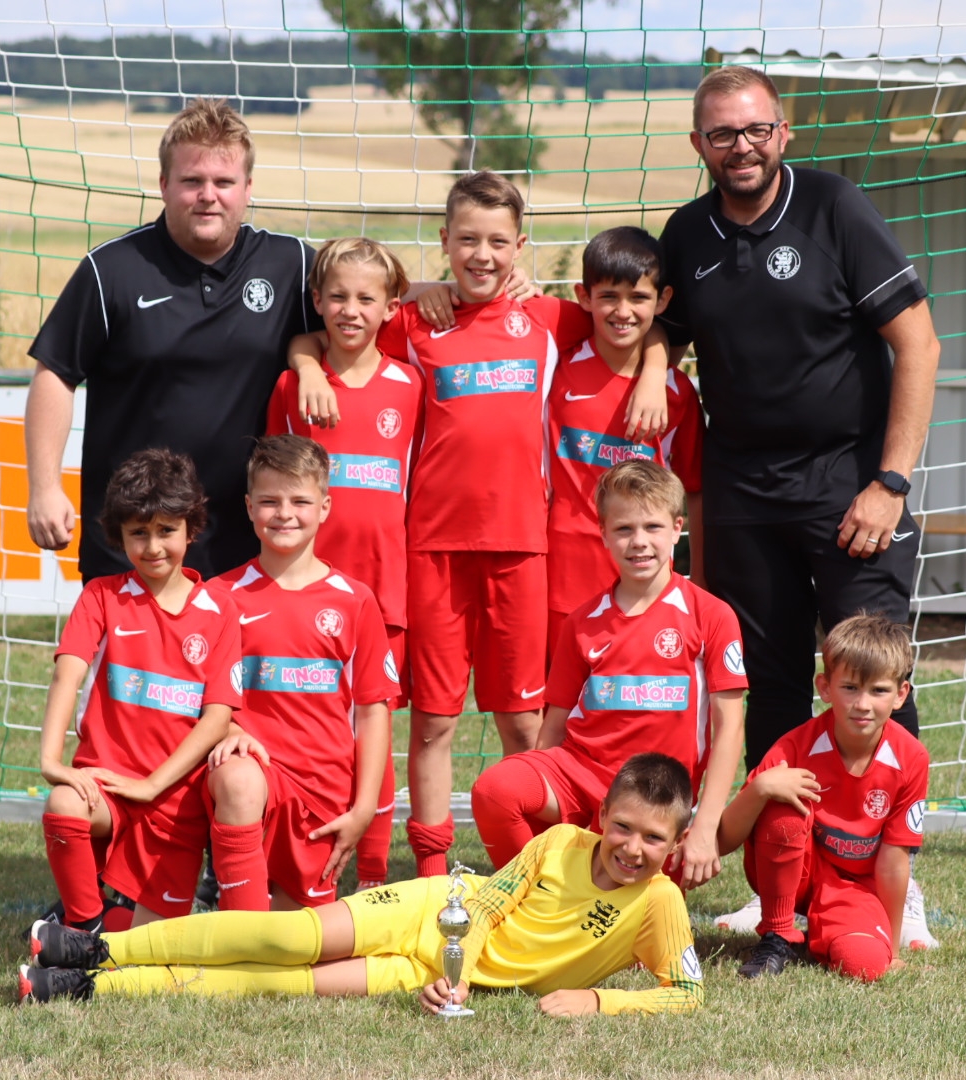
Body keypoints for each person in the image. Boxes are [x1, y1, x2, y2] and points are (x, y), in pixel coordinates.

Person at [288, 171, 672, 879]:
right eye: (467, 239)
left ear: (520, 247)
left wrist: (654, 370)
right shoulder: (417, 322)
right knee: (434, 721)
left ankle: (533, 869)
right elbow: (331, 332)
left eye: (498, 241)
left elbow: (637, 323)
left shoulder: (550, 318)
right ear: (445, 241)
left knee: (522, 723)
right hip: (433, 550)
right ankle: (432, 871)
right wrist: (308, 365)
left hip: (523, 551)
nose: (482, 255)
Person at [656, 65, 942, 946]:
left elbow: (919, 344)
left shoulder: (833, 209)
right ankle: (781, 878)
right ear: (698, 144)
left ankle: (899, 883)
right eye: (721, 134)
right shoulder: (686, 233)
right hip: (742, 493)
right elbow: (653, 327)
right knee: (770, 686)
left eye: (756, 130)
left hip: (849, 488)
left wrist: (890, 483)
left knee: (869, 677)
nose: (740, 147)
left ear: (783, 132)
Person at [19, 752, 704, 1016]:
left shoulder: (660, 904)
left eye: (653, 839)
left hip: (425, 972)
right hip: (428, 914)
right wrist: (462, 974)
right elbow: (488, 907)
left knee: (281, 985)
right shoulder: (560, 842)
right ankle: (97, 947)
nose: (632, 848)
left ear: (675, 846)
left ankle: (84, 987)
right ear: (601, 816)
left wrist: (595, 1001)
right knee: (288, 940)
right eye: (622, 827)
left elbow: (687, 994)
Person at [25, 97, 320, 581]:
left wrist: (445, 293)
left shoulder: (290, 265)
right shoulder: (111, 270)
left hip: (253, 545)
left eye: (224, 182)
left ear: (248, 188)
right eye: (192, 181)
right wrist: (44, 487)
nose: (208, 196)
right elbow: (56, 373)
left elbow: (369, 300)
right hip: (136, 543)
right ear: (163, 184)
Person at [471, 461, 744, 884]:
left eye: (652, 527)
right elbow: (554, 727)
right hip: (581, 776)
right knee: (496, 790)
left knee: (634, 916)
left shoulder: (711, 615)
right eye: (624, 529)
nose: (639, 542)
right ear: (603, 534)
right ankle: (536, 895)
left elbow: (730, 728)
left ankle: (582, 886)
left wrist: (705, 825)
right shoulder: (581, 621)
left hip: (657, 796)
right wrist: (542, 818)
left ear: (678, 529)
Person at [265, 238, 423, 889]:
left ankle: (376, 878)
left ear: (390, 307)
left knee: (373, 726)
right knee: (300, 723)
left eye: (365, 298)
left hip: (383, 590)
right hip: (304, 592)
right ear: (316, 300)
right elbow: (274, 483)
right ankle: (292, 860)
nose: (350, 310)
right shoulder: (292, 387)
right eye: (337, 296)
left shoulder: (411, 385)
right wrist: (304, 366)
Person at [36, 449, 243, 933]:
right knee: (64, 803)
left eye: (166, 530)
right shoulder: (101, 596)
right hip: (107, 788)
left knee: (153, 944)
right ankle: (84, 926)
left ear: (191, 529)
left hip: (174, 800)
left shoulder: (220, 610)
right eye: (138, 533)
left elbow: (217, 717)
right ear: (119, 534)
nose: (153, 547)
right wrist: (51, 761)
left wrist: (152, 785)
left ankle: (88, 927)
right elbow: (67, 674)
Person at [205, 435, 398, 911]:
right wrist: (231, 729)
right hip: (252, 774)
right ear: (249, 507)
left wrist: (364, 810)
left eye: (300, 501)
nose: (284, 514)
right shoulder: (219, 597)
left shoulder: (355, 601)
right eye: (269, 501)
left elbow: (373, 713)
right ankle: (240, 928)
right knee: (239, 780)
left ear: (325, 507)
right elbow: (199, 696)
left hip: (322, 792)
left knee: (299, 935)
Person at [715, 613, 930, 982]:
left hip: (853, 891)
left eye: (878, 691)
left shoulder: (911, 758)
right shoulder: (795, 746)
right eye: (850, 688)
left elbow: (893, 862)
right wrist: (760, 788)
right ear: (825, 687)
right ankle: (778, 933)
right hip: (796, 876)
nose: (862, 704)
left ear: (900, 694)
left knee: (864, 964)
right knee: (784, 802)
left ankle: (826, 932)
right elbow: (724, 840)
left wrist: (891, 950)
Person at [544, 226, 705, 656]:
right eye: (609, 297)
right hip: (564, 576)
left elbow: (695, 489)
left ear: (663, 300)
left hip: (646, 579)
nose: (623, 311)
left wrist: (701, 576)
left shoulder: (676, 394)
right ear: (584, 297)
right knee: (565, 690)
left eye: (638, 298)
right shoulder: (556, 366)